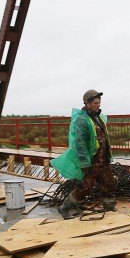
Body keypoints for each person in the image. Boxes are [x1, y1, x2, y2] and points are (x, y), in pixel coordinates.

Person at [50, 89, 117, 219]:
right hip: (92, 161)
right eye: (95, 103)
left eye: (99, 102)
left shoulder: (99, 117)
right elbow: (79, 143)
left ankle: (109, 208)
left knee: (109, 183)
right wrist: (84, 162)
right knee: (85, 187)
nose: (98, 105)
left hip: (103, 159)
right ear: (87, 103)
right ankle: (65, 207)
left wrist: (107, 156)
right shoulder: (82, 119)